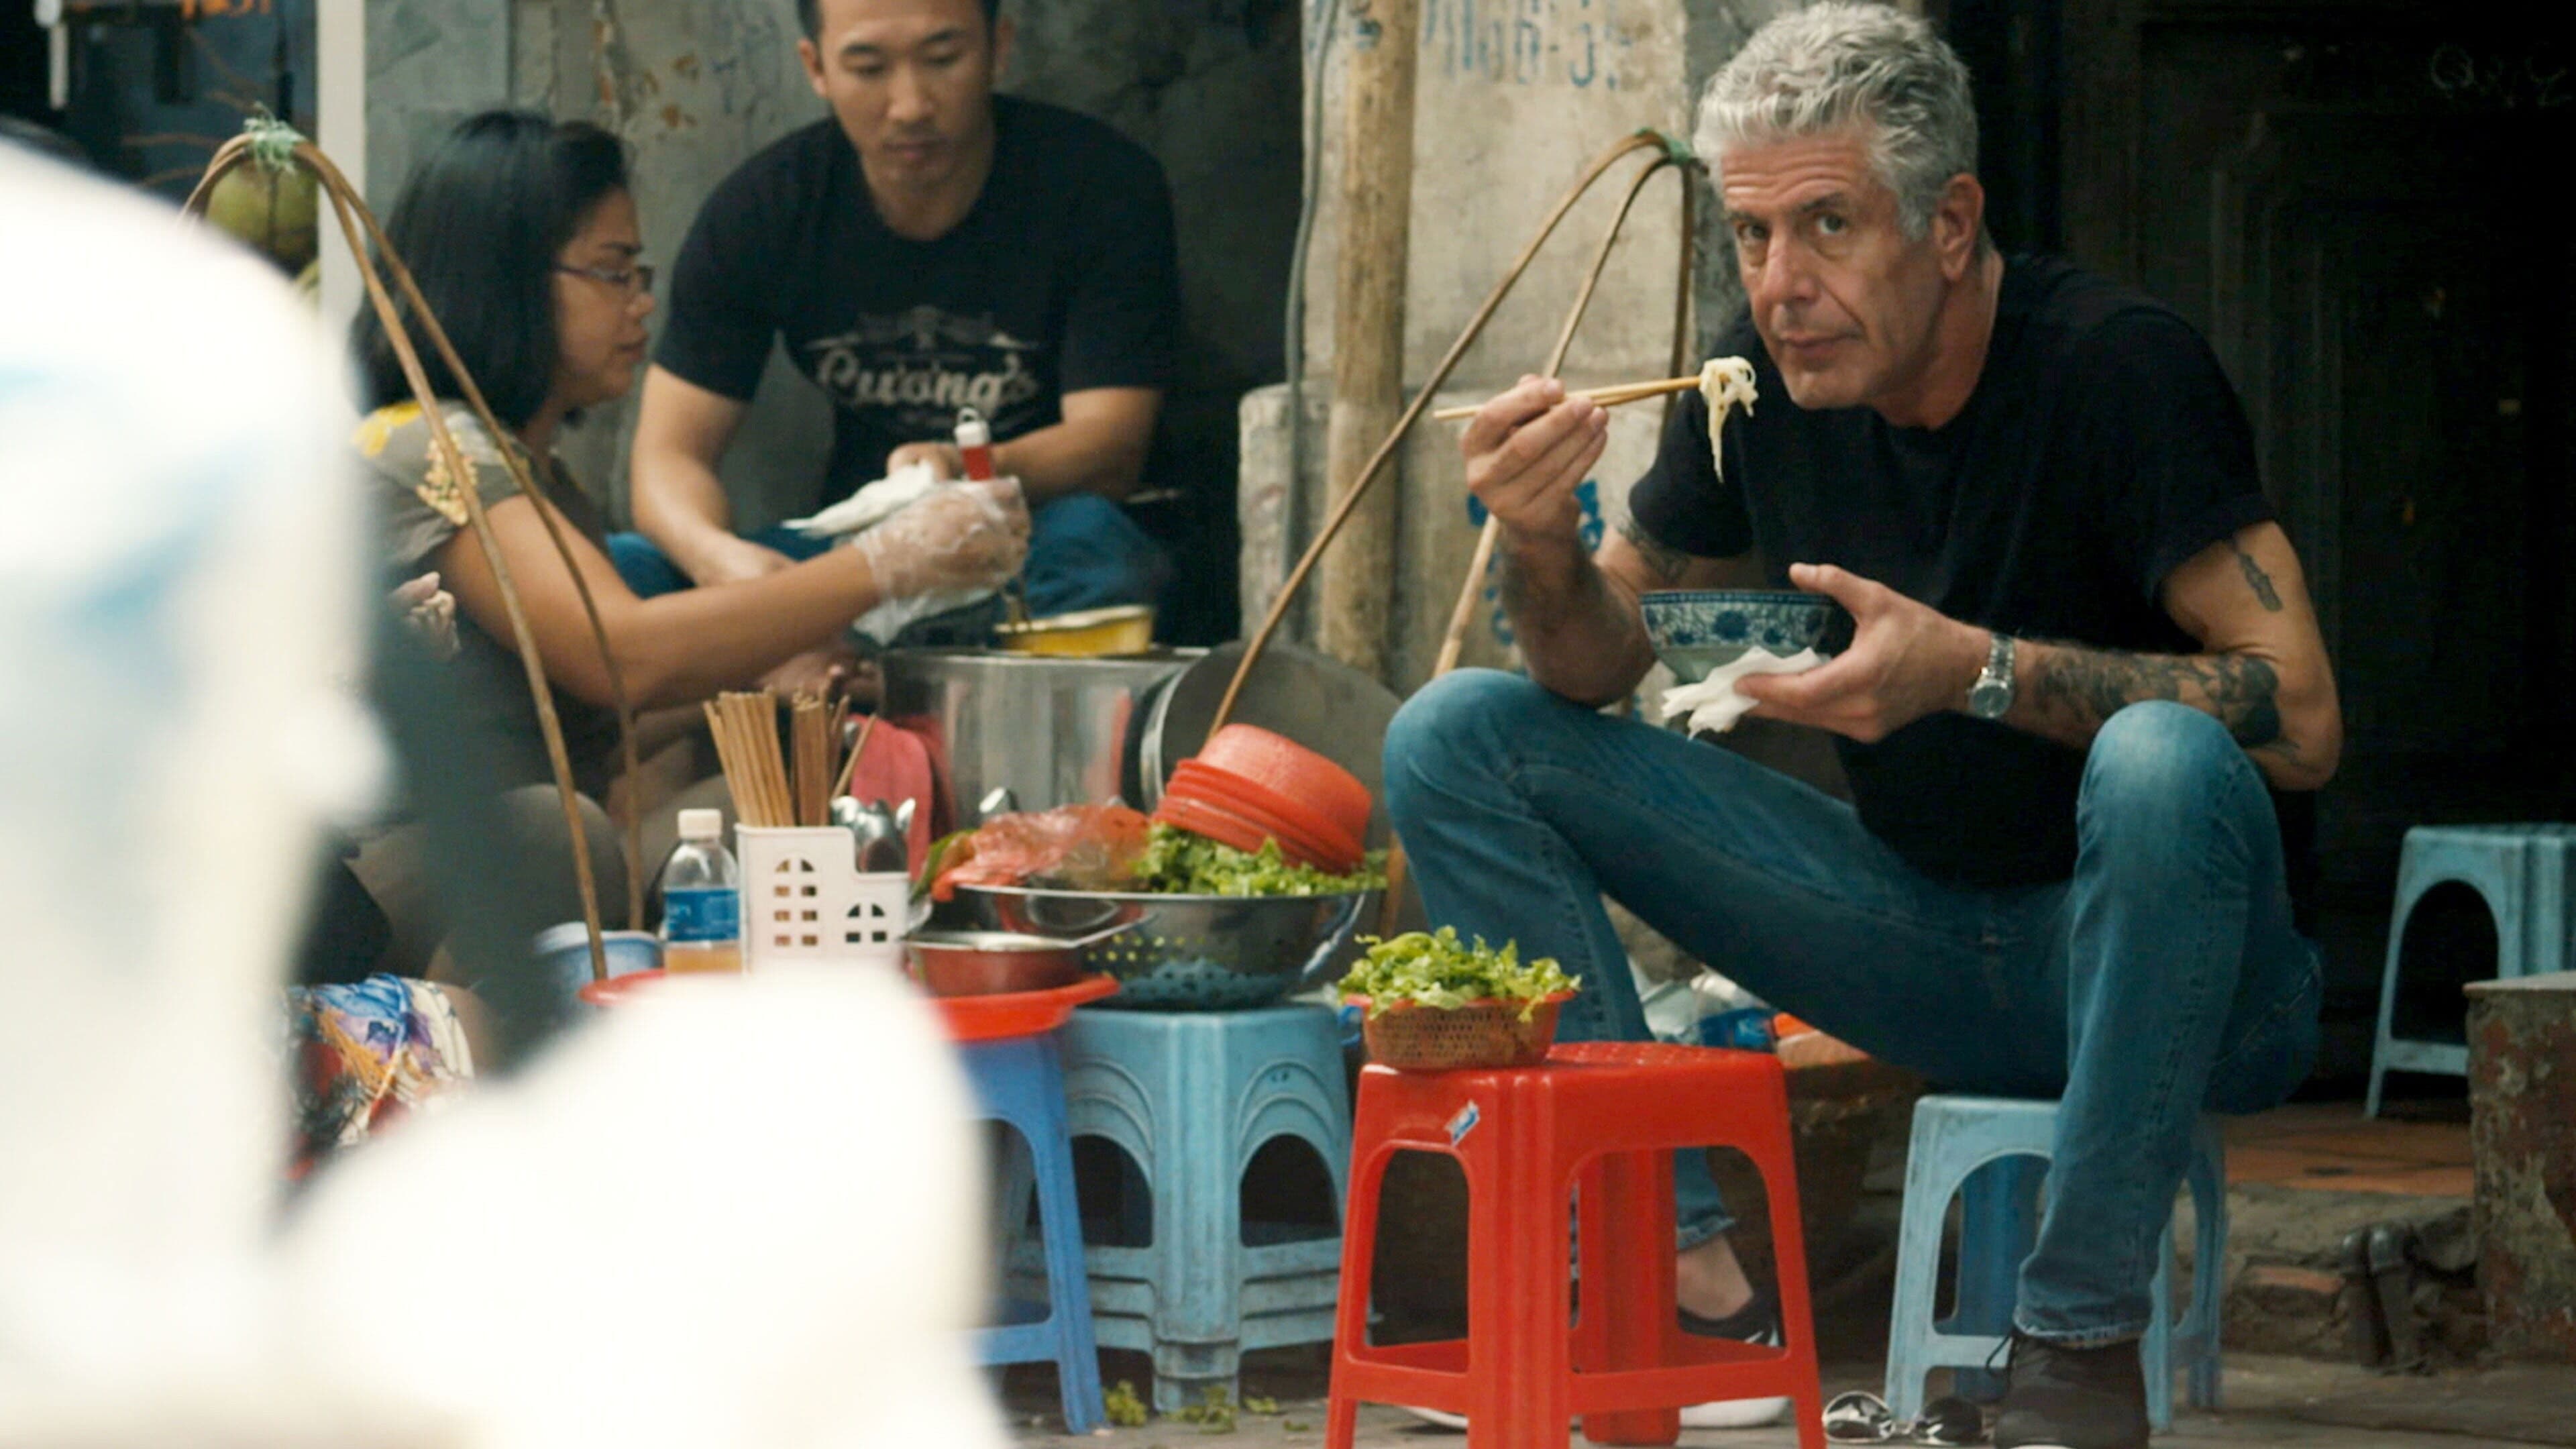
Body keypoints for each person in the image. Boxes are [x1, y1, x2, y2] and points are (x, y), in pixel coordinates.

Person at [1385, 7, 2335, 1447]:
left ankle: (2074, 1353)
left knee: (2162, 758)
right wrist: (1539, 541)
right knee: (1459, 734)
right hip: (1929, 941)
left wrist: (1977, 672)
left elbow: (2304, 717)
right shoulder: (1758, 387)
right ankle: (1680, 1289)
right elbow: (1593, 664)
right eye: (1752, 238)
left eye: (1827, 226)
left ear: (1950, 223)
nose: (1782, 286)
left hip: (2193, 983)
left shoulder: (2116, 368)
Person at [350, 111, 1027, 981]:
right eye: (611, 273)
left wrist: (764, 681)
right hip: (404, 875)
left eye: (641, 273)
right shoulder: (428, 448)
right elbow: (620, 659)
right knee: (564, 831)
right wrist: (885, 562)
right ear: (509, 280)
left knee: (811, 790)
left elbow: (594, 721)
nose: (641, 304)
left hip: (543, 844)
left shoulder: (541, 474)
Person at [619, 0, 1179, 624]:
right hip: (851, 557)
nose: (910, 105)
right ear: (817, 68)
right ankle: (834, 662)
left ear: (1000, 47)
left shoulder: (1098, 186)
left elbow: (1111, 447)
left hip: (1026, 533)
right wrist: (722, 565)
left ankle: (850, 674)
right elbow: (669, 456)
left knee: (1096, 551)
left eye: (944, 59)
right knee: (625, 572)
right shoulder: (765, 208)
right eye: (868, 68)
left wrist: (960, 469)